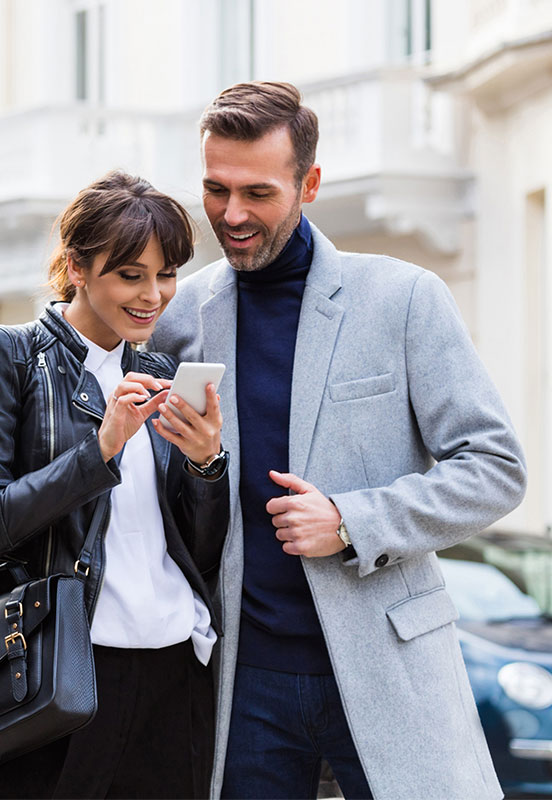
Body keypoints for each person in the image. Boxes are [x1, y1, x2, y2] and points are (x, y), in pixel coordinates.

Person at [151, 81, 527, 800]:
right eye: (215, 189)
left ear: (310, 183)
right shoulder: (182, 314)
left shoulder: (404, 298)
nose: (231, 215)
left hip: (390, 664)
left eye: (257, 193)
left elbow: (496, 468)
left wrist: (354, 521)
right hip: (242, 679)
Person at [0, 169, 230, 800]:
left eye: (166, 275)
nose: (153, 296)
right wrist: (101, 447)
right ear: (77, 267)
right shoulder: (9, 358)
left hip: (172, 667)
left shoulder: (163, 371)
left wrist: (207, 464)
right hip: (59, 668)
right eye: (130, 275)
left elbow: (201, 549)